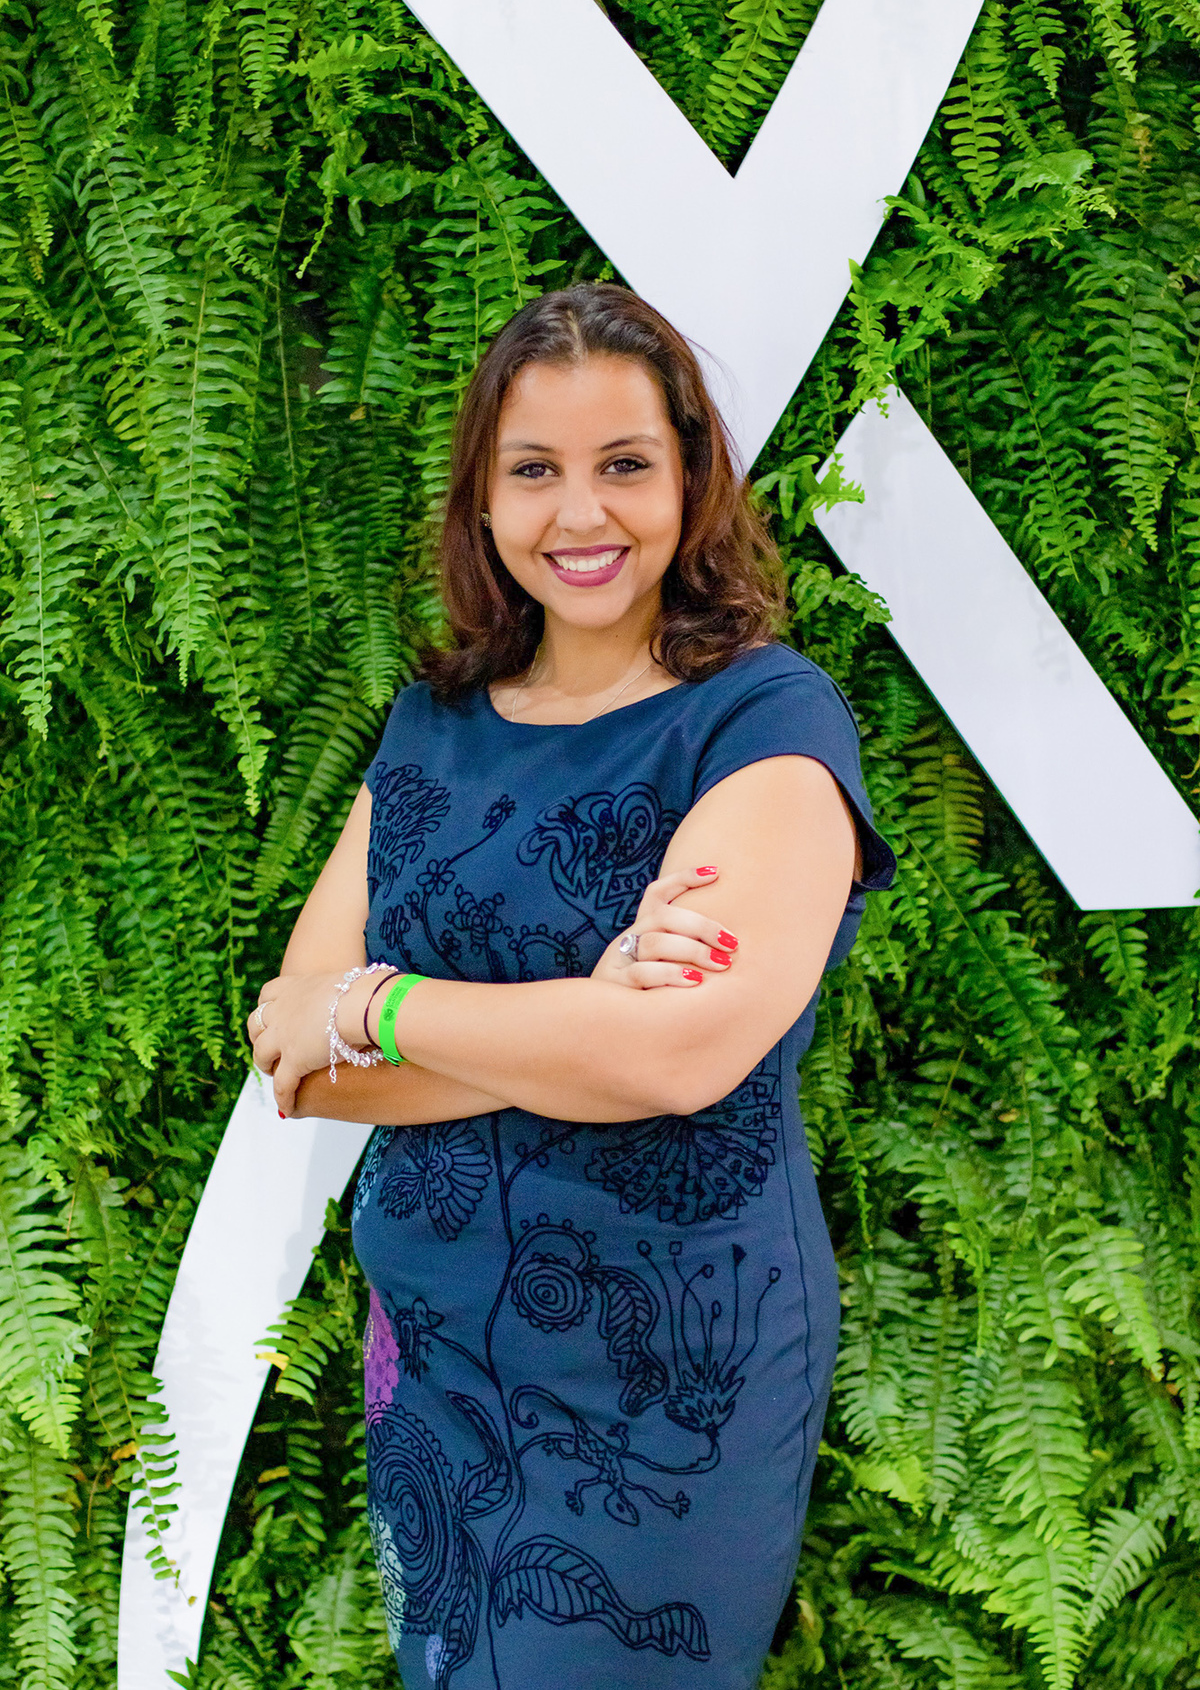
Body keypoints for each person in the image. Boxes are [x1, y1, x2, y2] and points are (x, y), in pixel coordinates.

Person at [248, 282, 895, 1690]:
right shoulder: (432, 724)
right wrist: (573, 1019)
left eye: (625, 465)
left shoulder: (765, 724)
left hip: (664, 1398)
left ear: (690, 481)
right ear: (482, 498)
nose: (580, 513)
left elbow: (676, 1057)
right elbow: (296, 1064)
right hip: (433, 1364)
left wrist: (379, 1006)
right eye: (534, 470)